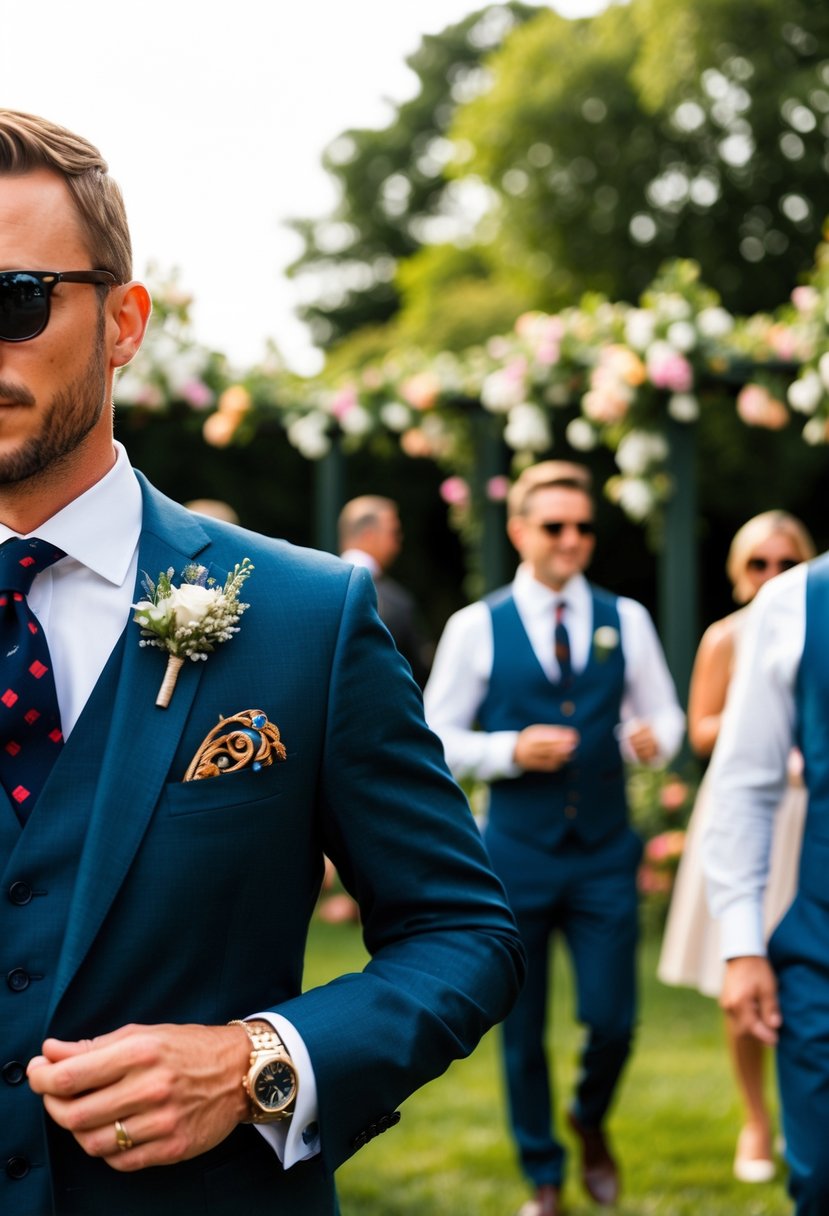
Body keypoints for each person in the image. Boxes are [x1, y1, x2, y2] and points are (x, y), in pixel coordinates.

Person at [0, 109, 525, 1216]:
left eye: (16, 300)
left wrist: (256, 1064)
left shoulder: (305, 615)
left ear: (124, 322)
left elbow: (460, 932)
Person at [424, 460, 684, 1216]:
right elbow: (433, 737)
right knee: (522, 1029)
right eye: (554, 526)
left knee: (613, 1020)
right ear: (518, 532)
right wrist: (509, 750)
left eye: (582, 527)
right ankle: (543, 1175)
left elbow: (663, 716)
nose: (571, 540)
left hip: (605, 851)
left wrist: (651, 740)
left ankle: (588, 1116)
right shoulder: (476, 626)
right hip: (517, 855)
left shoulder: (623, 618)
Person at [658, 511, 815, 1183]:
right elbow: (699, 732)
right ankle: (756, 1116)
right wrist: (762, 725)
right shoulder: (725, 638)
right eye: (758, 564)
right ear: (737, 572)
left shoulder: (813, 619)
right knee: (746, 974)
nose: (772, 575)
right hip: (751, 808)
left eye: (784, 563)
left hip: (808, 816)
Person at [703, 508, 829, 1215]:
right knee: (820, 1174)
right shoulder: (794, 605)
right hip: (819, 931)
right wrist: (743, 947)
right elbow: (743, 786)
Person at [338, 494, 433, 687]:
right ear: (369, 536)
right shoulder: (395, 602)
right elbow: (417, 674)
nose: (399, 540)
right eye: (394, 532)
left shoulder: (315, 593)